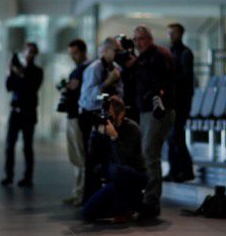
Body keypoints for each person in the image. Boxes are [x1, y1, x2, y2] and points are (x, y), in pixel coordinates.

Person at [132, 25, 176, 219]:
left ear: (150, 39)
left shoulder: (158, 56)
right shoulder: (142, 58)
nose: (138, 43)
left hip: (158, 110)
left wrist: (138, 65)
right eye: (135, 40)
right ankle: (147, 200)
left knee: (150, 153)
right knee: (145, 154)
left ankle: (151, 203)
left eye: (141, 39)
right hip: (145, 110)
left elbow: (158, 81)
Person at [81, 96, 148, 222]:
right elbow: (93, 157)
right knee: (86, 213)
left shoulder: (132, 128)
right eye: (106, 114)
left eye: (110, 114)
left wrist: (114, 137)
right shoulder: (104, 127)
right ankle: (128, 207)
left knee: (116, 170)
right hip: (115, 180)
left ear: (121, 113)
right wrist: (94, 134)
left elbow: (124, 160)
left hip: (135, 176)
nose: (108, 118)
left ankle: (127, 208)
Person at [79, 37, 123, 202]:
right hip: (91, 115)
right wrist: (107, 82)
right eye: (116, 51)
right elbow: (89, 98)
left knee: (108, 159)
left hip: (107, 116)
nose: (119, 54)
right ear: (105, 51)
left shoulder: (116, 68)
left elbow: (120, 93)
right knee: (92, 161)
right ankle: (89, 199)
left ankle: (104, 199)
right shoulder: (94, 68)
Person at [1, 43, 43, 187]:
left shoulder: (37, 71)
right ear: (24, 52)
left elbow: (32, 88)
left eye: (32, 52)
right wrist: (10, 71)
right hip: (15, 112)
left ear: (35, 54)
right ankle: (8, 175)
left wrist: (19, 73)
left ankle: (28, 177)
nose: (30, 54)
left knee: (27, 146)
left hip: (29, 113)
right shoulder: (17, 69)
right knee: (9, 146)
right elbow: (8, 87)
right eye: (28, 51)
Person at [164, 23, 195, 183]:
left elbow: (185, 77)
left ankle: (186, 170)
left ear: (181, 34)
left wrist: (167, 82)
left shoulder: (185, 53)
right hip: (172, 100)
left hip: (181, 101)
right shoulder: (170, 53)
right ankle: (175, 170)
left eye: (173, 33)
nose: (170, 36)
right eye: (169, 33)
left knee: (176, 136)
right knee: (173, 137)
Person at [62, 39, 91, 206]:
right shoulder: (78, 70)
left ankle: (82, 193)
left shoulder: (87, 69)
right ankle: (78, 191)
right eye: (71, 54)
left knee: (81, 156)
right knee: (75, 157)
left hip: (79, 117)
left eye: (75, 53)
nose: (73, 57)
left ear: (83, 51)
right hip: (72, 115)